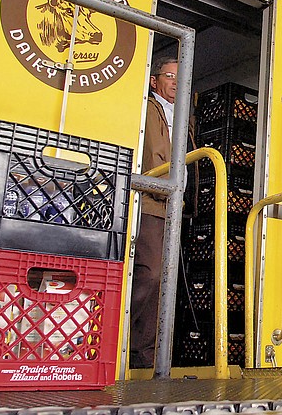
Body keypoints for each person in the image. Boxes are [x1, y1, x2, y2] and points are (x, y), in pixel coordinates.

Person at [129, 53, 177, 369]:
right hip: (149, 201)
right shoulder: (146, 107)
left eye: (181, 75)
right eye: (170, 75)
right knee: (149, 275)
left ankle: (146, 357)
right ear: (154, 80)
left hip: (173, 206)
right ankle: (124, 345)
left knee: (163, 283)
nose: (176, 81)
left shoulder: (184, 115)